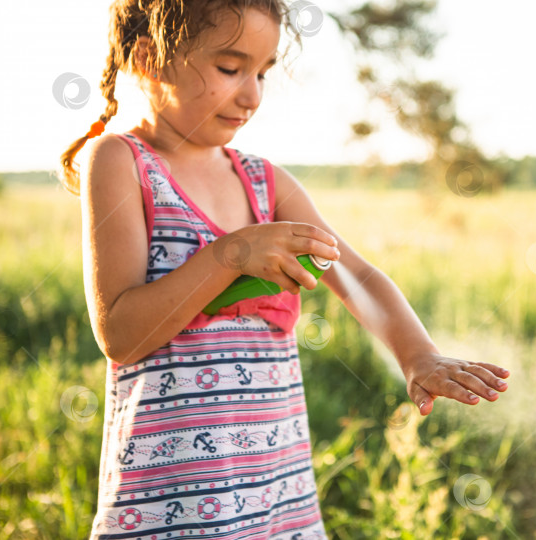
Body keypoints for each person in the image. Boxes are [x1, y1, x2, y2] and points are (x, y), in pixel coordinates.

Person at [59, 1, 510, 538]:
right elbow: (121, 335)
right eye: (231, 68)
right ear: (148, 56)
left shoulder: (265, 183)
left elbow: (355, 276)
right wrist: (230, 256)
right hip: (172, 501)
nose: (251, 95)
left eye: (263, 73)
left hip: (276, 492)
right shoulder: (121, 162)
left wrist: (417, 354)